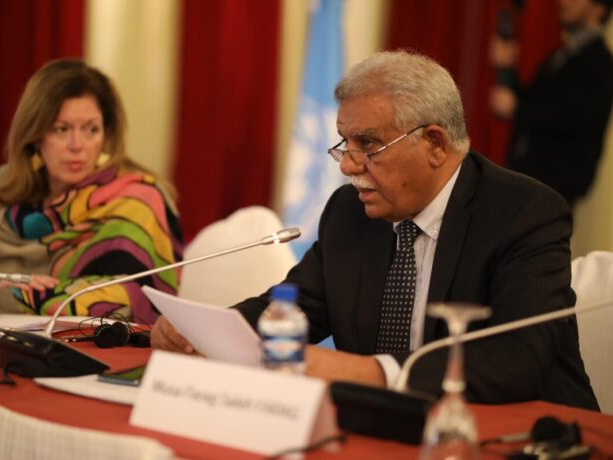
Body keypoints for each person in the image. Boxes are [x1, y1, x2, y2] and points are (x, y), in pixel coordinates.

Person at [151, 50, 598, 410]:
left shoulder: (524, 213)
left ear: (435, 144)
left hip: (531, 436)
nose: (347, 166)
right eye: (344, 143)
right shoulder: (350, 212)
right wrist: (205, 335)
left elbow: (516, 359)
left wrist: (372, 372)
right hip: (386, 428)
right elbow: (296, 307)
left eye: (367, 144)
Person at [0, 59, 183, 324]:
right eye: (61, 129)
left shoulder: (140, 200)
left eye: (91, 130)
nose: (77, 145)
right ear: (35, 134)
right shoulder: (0, 197)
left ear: (106, 135)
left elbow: (134, 299)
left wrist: (9, 297)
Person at [490, 0, 613, 206]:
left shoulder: (599, 64)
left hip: (551, 188)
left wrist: (517, 107)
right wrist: (508, 68)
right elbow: (534, 102)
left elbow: (572, 118)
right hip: (527, 180)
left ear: (598, 9)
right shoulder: (562, 55)